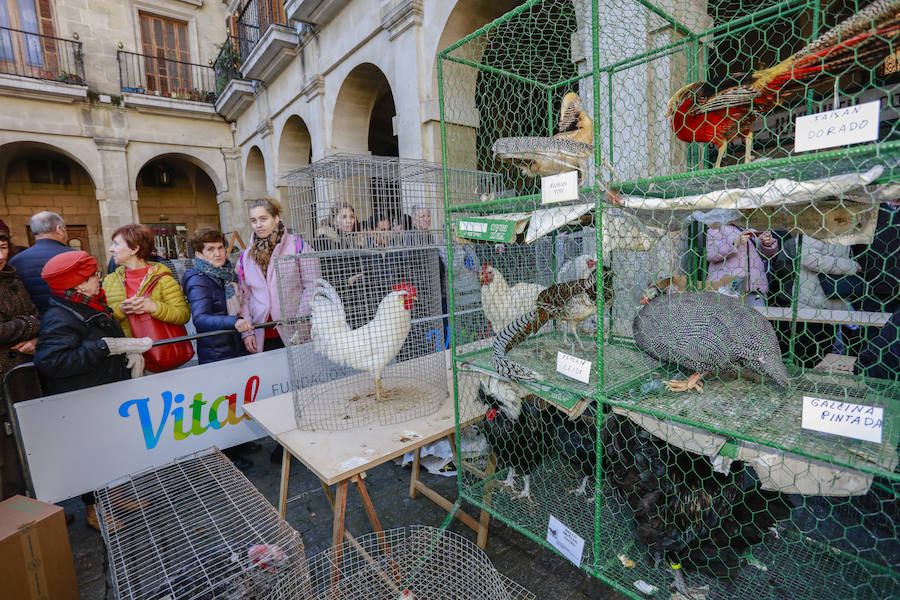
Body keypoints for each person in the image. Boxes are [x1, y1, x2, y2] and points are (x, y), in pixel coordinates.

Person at [32, 251, 152, 531]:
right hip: (84, 397)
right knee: (91, 455)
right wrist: (104, 347)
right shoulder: (60, 316)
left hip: (105, 389)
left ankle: (117, 495)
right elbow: (51, 361)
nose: (98, 279)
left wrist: (124, 355)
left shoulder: (90, 303)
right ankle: (93, 509)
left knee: (113, 449)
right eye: (92, 276)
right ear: (76, 285)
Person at [238, 198, 320, 354]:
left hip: (295, 330)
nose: (258, 225)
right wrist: (247, 333)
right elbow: (245, 297)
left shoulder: (298, 246)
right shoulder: (246, 256)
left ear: (275, 218)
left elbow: (312, 285)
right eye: (254, 220)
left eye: (263, 219)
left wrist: (300, 322)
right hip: (261, 334)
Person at [102, 224, 190, 338]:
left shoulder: (164, 279)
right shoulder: (110, 281)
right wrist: (120, 310)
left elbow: (183, 315)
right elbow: (102, 317)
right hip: (128, 352)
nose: (111, 249)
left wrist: (154, 307)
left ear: (134, 249)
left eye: (116, 244)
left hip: (162, 350)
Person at [182, 227, 250, 364]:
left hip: (235, 346)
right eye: (210, 249)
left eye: (220, 247)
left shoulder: (226, 273)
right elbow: (200, 319)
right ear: (199, 254)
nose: (218, 253)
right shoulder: (198, 280)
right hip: (216, 354)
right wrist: (234, 321)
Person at [8, 211, 73, 314]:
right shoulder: (76, 256)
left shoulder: (15, 261)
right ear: (59, 230)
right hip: (72, 321)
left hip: (35, 324)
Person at [0, 232, 40, 381]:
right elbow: (33, 321)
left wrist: (35, 341)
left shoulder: (14, 280)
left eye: (3, 247)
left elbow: (36, 317)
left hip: (25, 367)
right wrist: (27, 324)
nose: (1, 256)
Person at [706, 224, 779, 297]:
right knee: (730, 306)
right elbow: (710, 254)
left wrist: (767, 244)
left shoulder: (757, 226)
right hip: (728, 285)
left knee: (756, 307)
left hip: (755, 287)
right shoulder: (717, 226)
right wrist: (734, 243)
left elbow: (768, 256)